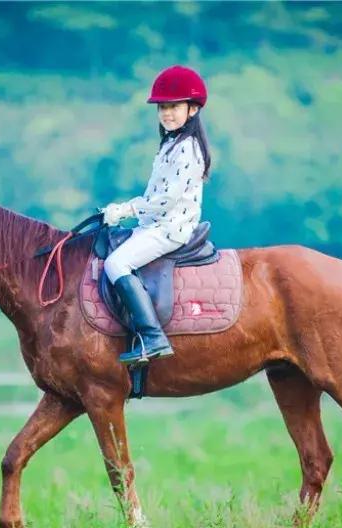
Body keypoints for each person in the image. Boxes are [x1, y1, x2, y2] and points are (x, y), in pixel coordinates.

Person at [99, 65, 213, 365]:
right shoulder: (169, 145)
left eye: (174, 106)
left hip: (171, 228)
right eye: (162, 107)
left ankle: (152, 337)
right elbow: (153, 194)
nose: (167, 113)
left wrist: (126, 210)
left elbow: (165, 200)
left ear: (192, 109)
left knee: (116, 263)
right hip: (155, 223)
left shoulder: (188, 148)